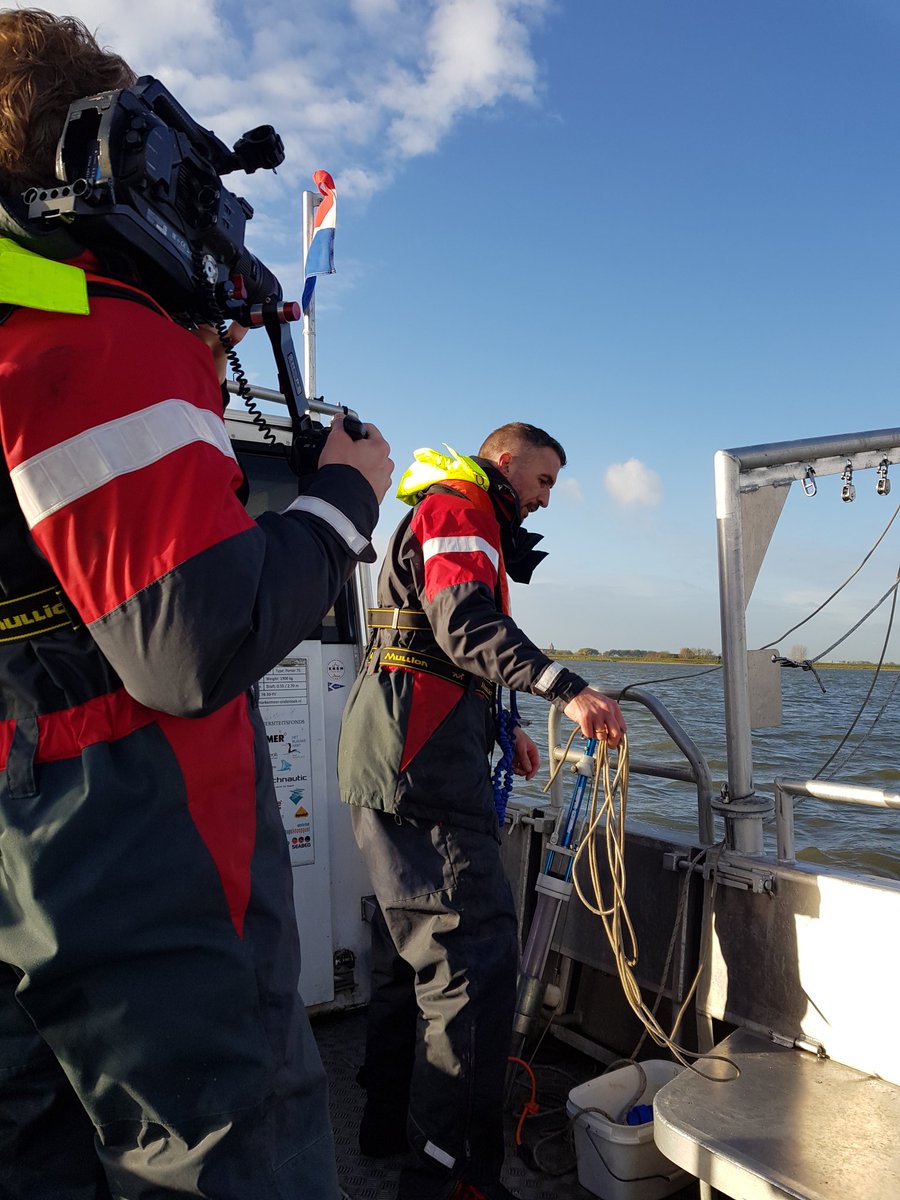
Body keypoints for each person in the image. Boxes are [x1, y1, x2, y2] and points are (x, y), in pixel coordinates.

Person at [0, 10, 393, 1199]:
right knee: (232, 1150)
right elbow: (188, 639)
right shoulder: (73, 311)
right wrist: (340, 500)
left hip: (29, 828)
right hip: (136, 836)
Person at [337, 424, 625, 1200]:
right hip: (422, 766)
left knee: (413, 958)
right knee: (472, 965)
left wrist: (509, 727)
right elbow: (464, 624)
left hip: (401, 752)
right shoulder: (463, 504)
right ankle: (453, 1178)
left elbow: (433, 639)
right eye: (543, 481)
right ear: (506, 463)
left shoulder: (458, 510)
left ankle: (389, 1127)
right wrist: (567, 690)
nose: (544, 499)